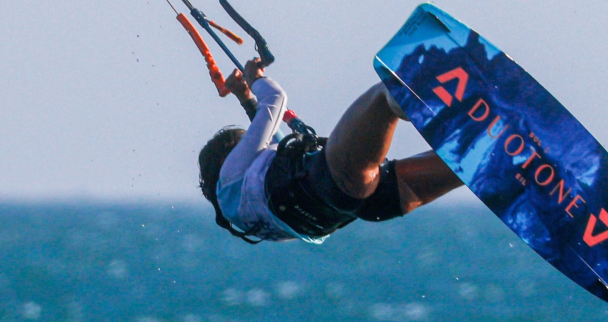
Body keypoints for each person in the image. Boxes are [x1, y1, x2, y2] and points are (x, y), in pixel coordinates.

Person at [198, 59, 462, 242]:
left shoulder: (243, 210)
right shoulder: (231, 174)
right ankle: (455, 90)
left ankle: (497, 156)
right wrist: (256, 80)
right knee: (386, 95)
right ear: (225, 157)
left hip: (366, 204)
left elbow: (273, 137)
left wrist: (245, 98)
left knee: (465, 162)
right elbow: (275, 100)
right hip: (332, 177)